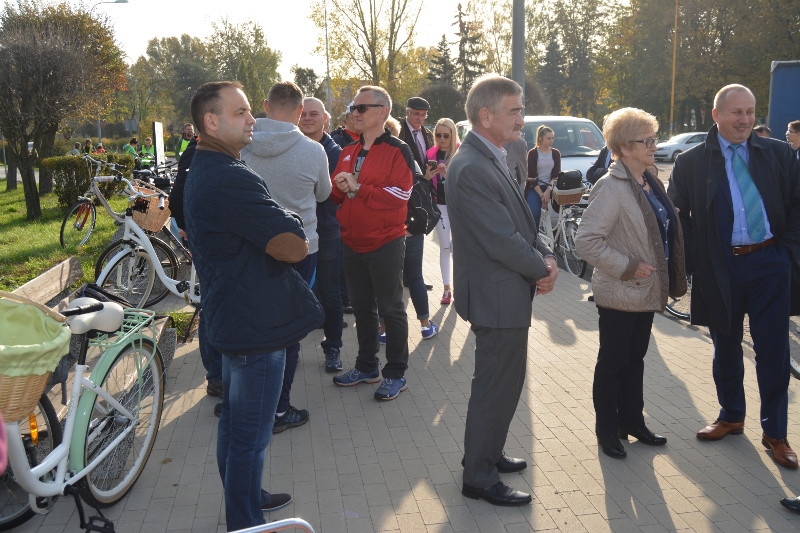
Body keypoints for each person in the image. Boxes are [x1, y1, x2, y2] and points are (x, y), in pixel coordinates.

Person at [184, 81, 323, 530]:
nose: (251, 120)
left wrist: (280, 220)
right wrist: (292, 220)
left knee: (236, 425)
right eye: (241, 112)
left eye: (249, 111)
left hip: (235, 313)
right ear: (211, 122)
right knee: (250, 433)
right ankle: (244, 521)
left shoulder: (208, 164)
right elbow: (294, 246)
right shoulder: (229, 175)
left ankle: (246, 497)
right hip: (254, 324)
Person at [668, 84, 800, 470]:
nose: (745, 120)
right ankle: (731, 416)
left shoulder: (779, 153)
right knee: (725, 346)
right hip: (720, 266)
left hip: (770, 264)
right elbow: (678, 218)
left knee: (773, 351)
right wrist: (698, 262)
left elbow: (798, 205)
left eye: (750, 112)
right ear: (717, 115)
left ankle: (776, 432)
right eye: (736, 112)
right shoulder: (691, 162)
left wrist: (787, 255)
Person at [447, 74, 558, 506]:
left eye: (521, 109)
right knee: (496, 386)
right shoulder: (473, 166)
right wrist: (541, 269)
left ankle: (487, 453)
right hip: (495, 296)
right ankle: (478, 476)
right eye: (514, 111)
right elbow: (501, 239)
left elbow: (522, 224)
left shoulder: (492, 155)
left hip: (504, 292)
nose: (522, 119)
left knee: (506, 383)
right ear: (485, 116)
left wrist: (546, 255)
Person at [574, 108, 686, 459]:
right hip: (621, 291)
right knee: (613, 364)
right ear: (624, 147)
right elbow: (586, 241)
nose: (655, 146)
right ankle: (607, 430)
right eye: (647, 141)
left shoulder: (649, 179)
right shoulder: (611, 187)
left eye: (654, 139)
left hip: (646, 290)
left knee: (635, 360)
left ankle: (632, 422)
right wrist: (629, 267)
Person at [241, 81, 332, 433]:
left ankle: (246, 405)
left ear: (265, 106)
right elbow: (323, 194)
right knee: (289, 328)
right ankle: (279, 409)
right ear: (300, 111)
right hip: (300, 248)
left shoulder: (240, 146)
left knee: (252, 324)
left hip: (252, 248)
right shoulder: (314, 151)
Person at [330, 86, 413, 401]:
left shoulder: (398, 150)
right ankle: (367, 367)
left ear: (382, 112)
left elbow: (401, 194)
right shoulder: (348, 150)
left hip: (385, 241)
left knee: (391, 308)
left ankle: (395, 374)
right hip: (352, 241)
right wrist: (338, 187)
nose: (354, 113)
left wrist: (359, 187)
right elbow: (336, 196)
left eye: (361, 108)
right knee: (363, 308)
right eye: (353, 107)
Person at [299, 96, 346, 373]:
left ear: (325, 119)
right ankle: (289, 348)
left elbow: (331, 196)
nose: (307, 118)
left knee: (330, 294)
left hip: (327, 232)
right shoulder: (292, 148)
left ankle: (333, 347)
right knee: (293, 292)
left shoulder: (335, 153)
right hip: (296, 233)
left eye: (313, 114)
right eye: (303, 114)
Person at [426, 118, 461, 305]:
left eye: (446, 135)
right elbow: (424, 183)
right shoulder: (431, 154)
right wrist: (427, 177)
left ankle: (459, 287)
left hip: (459, 208)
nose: (441, 139)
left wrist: (447, 176)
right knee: (445, 248)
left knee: (458, 249)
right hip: (439, 206)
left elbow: (466, 185)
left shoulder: (461, 154)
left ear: (453, 135)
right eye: (438, 135)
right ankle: (447, 289)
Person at [525, 125, 561, 229]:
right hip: (535, 187)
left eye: (552, 138)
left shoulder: (556, 153)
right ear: (540, 139)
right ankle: (534, 235)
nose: (551, 141)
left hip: (551, 186)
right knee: (534, 213)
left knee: (564, 209)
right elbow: (531, 176)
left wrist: (548, 191)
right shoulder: (532, 153)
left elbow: (556, 174)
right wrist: (542, 195)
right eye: (548, 138)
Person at [399, 97, 434, 173]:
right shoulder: (397, 131)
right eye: (417, 114)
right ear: (407, 112)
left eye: (423, 114)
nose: (420, 118)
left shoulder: (429, 135)